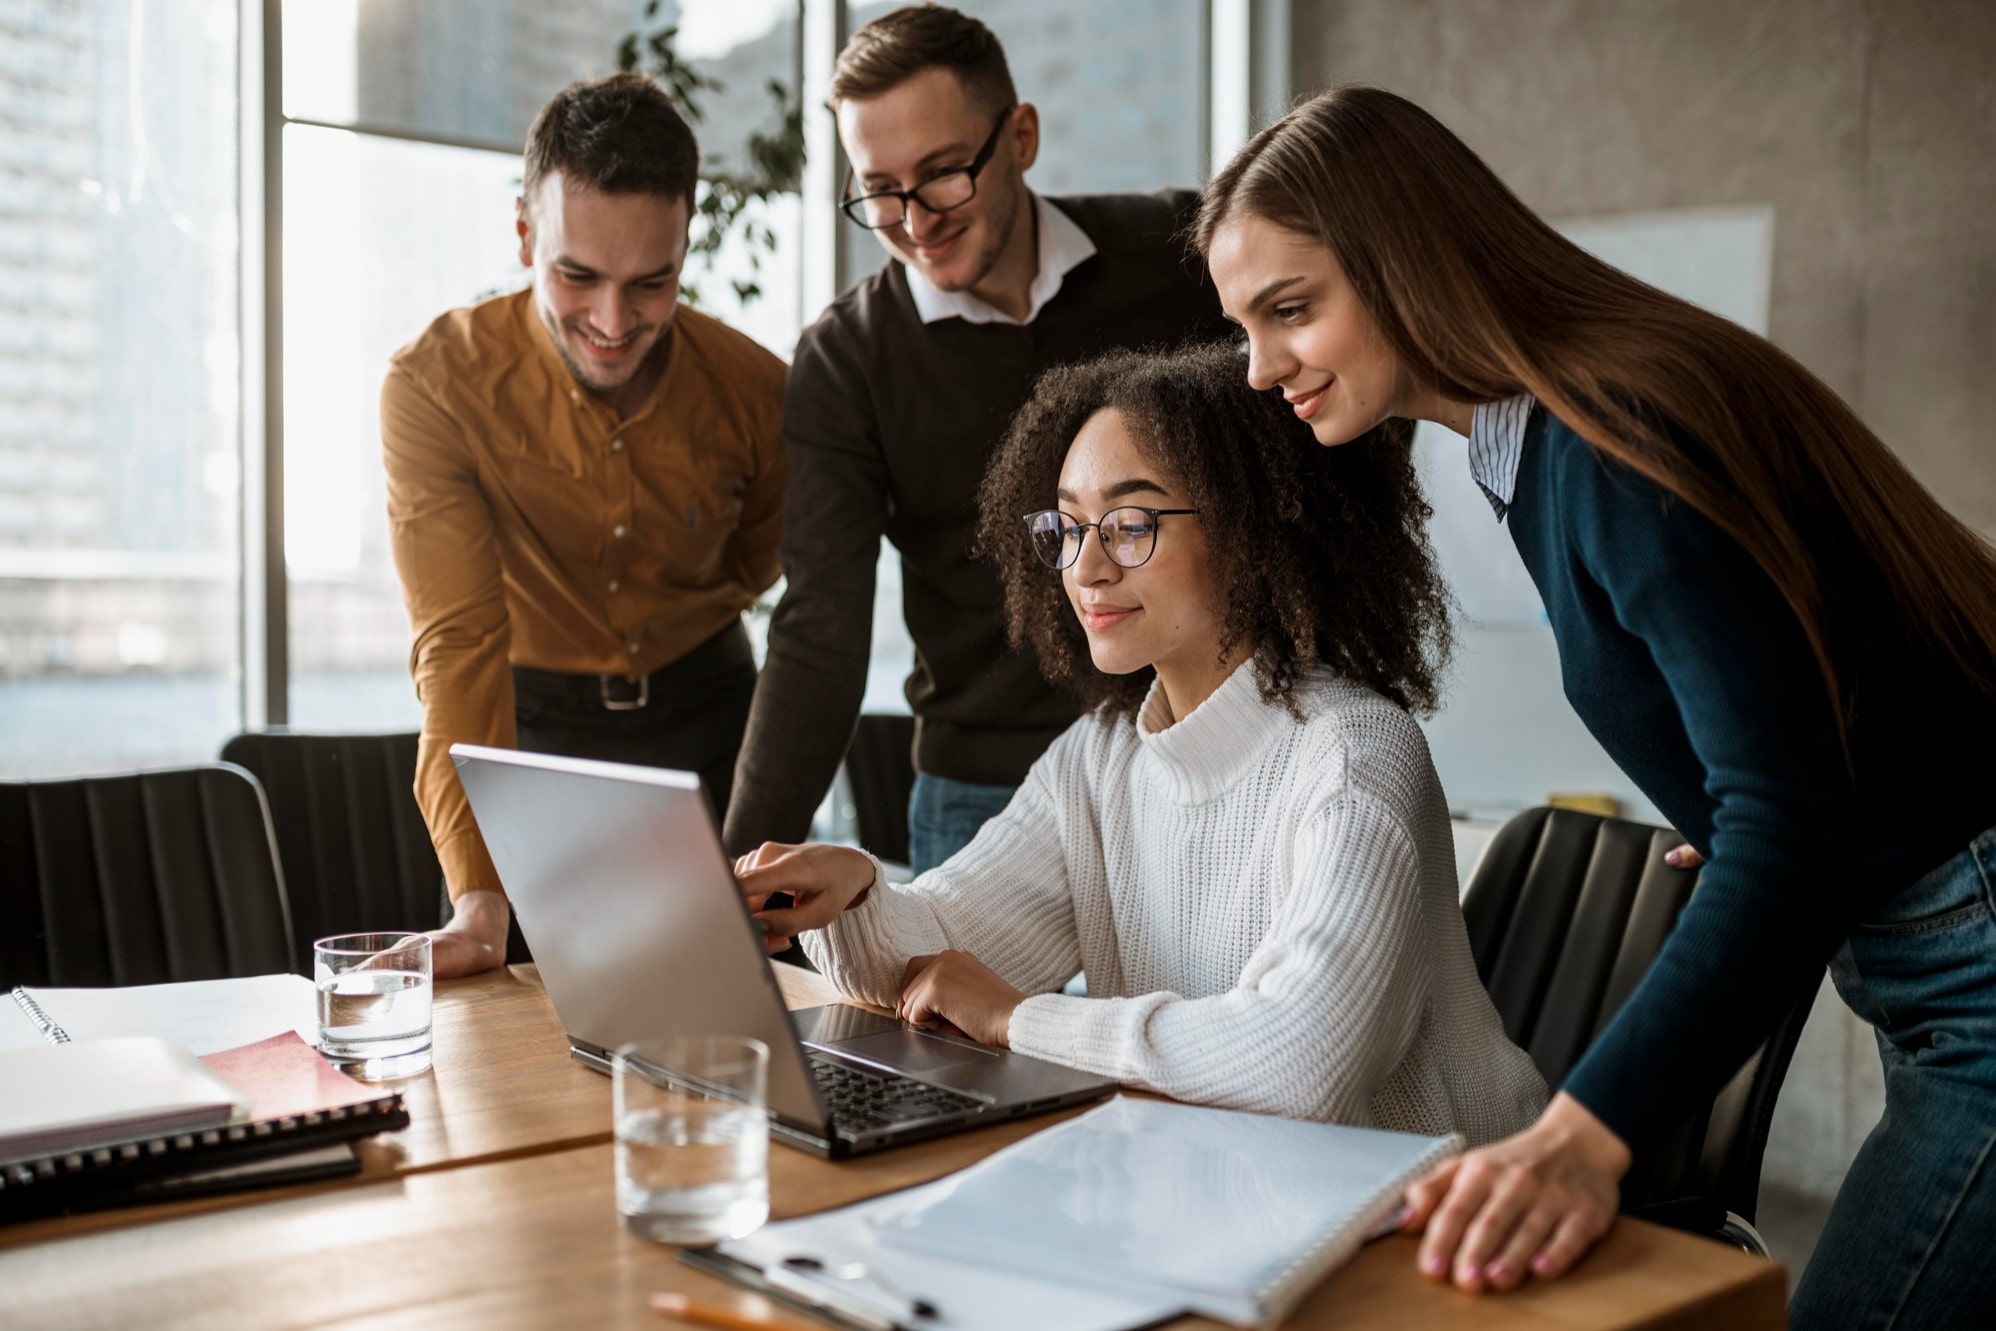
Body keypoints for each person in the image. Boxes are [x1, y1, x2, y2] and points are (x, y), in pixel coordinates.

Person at [1197, 86, 1996, 1326]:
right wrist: (1747, 795)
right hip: (1933, 945)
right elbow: (1825, 690)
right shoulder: (1548, 436)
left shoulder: (1606, 440)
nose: (1260, 368)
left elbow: (1789, 825)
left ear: (1409, 258)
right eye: (1242, 326)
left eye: (1290, 310)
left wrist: (1582, 1135)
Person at [732, 343, 1548, 1138]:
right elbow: (942, 961)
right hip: (1227, 1196)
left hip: (1444, 1222)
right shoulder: (1099, 758)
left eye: (1128, 524)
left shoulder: (1355, 754)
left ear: (1251, 531)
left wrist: (1021, 1019)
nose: (1085, 568)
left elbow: (1304, 1061)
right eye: (1069, 527)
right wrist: (856, 896)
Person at [721, 3, 1234, 873]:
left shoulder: (1177, 255)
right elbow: (821, 629)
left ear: (1021, 136)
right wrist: (737, 875)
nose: (916, 220)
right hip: (985, 798)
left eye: (945, 172)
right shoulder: (848, 359)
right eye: (879, 189)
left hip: (1201, 754)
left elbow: (1315, 411)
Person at [383, 73, 787, 978]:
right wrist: (479, 904)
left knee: (726, 1014)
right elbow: (457, 645)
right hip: (526, 734)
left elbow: (758, 565)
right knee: (513, 1019)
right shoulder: (435, 385)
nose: (613, 321)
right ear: (525, 233)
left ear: (686, 242)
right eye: (578, 276)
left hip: (710, 721)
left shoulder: (761, 392)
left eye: (652, 282)